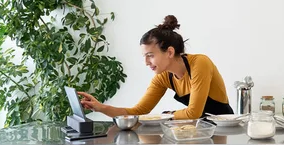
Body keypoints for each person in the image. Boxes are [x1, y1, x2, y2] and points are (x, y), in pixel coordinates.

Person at [78, 15, 234, 119]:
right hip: (200, 131)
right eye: (144, 56)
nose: (146, 62)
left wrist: (166, 115)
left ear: (170, 52)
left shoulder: (200, 63)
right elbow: (138, 112)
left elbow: (194, 113)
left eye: (150, 55)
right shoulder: (163, 77)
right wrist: (101, 108)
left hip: (226, 131)